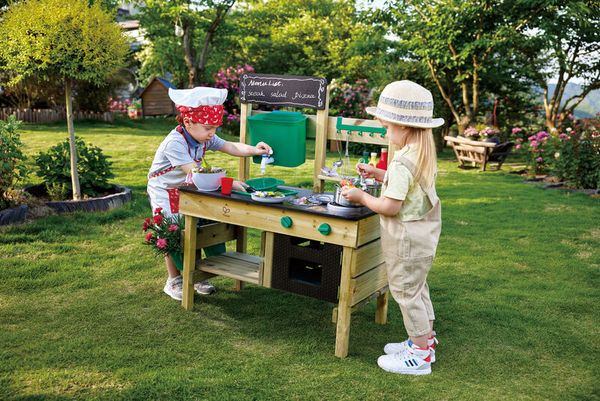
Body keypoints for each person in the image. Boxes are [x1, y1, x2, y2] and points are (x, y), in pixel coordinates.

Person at [342, 80, 443, 375]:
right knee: (418, 289)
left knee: (405, 292)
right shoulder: (420, 154)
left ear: (405, 127)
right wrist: (378, 173)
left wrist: (362, 196)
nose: (386, 132)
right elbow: (407, 183)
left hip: (406, 239)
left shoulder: (403, 162)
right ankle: (424, 341)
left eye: (387, 127)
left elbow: (390, 207)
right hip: (423, 237)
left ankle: (420, 356)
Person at [147, 86, 272, 301]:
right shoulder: (174, 143)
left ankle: (198, 275)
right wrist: (229, 183)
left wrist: (255, 149)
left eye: (215, 127)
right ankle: (174, 280)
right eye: (208, 128)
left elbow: (231, 146)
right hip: (164, 189)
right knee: (173, 232)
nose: (212, 133)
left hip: (187, 186)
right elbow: (194, 173)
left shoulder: (203, 136)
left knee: (198, 227)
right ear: (188, 122)